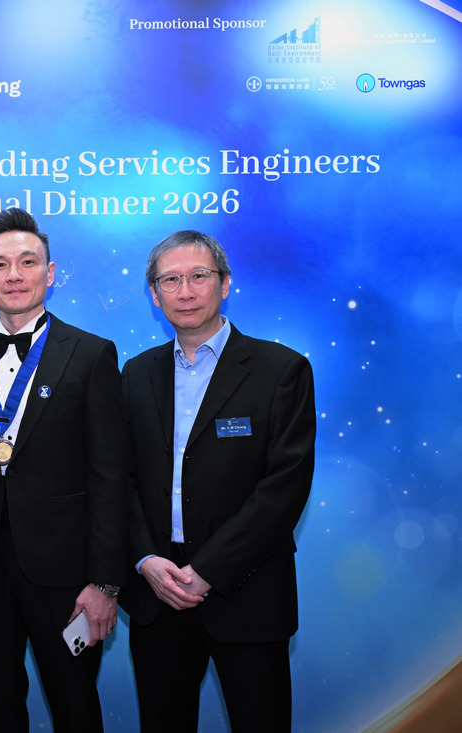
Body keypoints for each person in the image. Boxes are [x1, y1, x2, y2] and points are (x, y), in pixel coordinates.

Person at [0, 208, 129, 732]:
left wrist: (105, 583)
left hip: (68, 573)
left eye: (27, 261)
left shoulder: (92, 354)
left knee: (75, 707)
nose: (14, 275)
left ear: (50, 271)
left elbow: (111, 477)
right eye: (0, 265)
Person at [119, 230, 316, 733]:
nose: (185, 291)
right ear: (154, 293)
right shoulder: (136, 374)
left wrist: (207, 570)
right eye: (170, 280)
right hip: (158, 593)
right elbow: (121, 479)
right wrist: (144, 560)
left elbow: (283, 490)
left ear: (225, 284)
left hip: (247, 594)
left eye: (199, 276)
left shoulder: (282, 370)